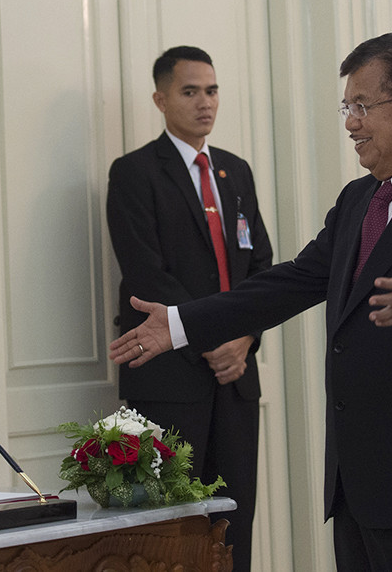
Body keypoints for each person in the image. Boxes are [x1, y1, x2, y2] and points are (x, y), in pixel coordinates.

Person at [109, 31, 392, 570]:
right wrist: (183, 323)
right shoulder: (360, 197)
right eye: (347, 106)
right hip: (358, 486)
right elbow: (291, 281)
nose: (350, 122)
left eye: (362, 105)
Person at [105, 46, 273, 572]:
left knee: (233, 522)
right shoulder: (134, 173)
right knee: (170, 525)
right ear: (160, 99)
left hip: (235, 376)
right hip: (169, 378)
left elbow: (263, 268)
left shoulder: (236, 171)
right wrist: (211, 336)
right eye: (190, 91)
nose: (206, 102)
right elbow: (145, 273)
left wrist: (243, 338)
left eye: (213, 90)